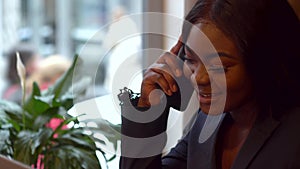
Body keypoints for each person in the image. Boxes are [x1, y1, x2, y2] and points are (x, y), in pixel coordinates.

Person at [119, 0, 300, 169]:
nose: (199, 79)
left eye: (219, 67)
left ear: (265, 61)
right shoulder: (209, 121)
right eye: (190, 59)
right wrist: (149, 106)